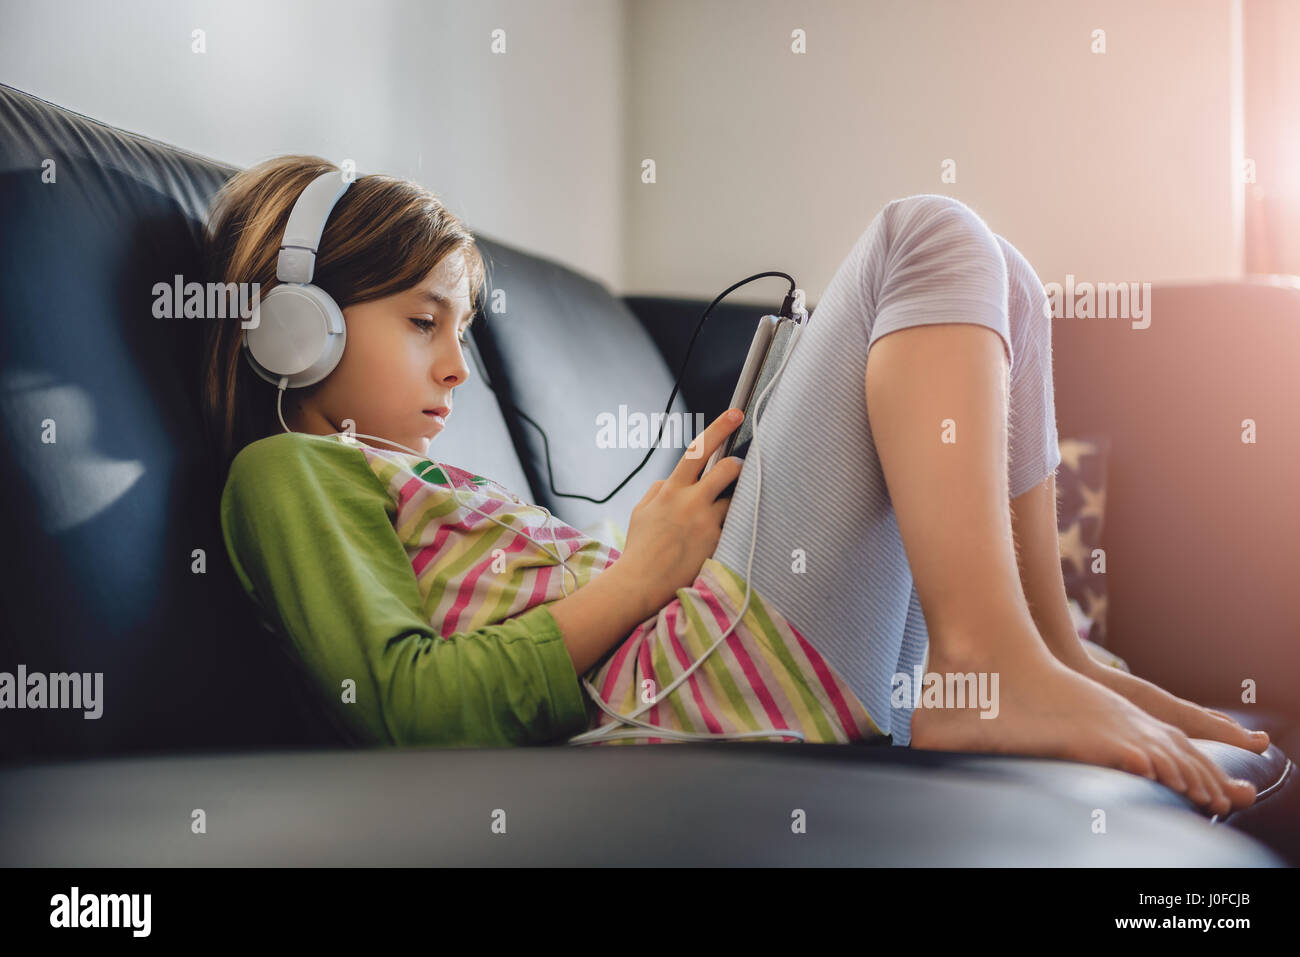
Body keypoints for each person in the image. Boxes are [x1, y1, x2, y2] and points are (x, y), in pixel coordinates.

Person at [205, 155, 1267, 816]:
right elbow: (408, 714)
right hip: (693, 693)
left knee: (1010, 282)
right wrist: (639, 578)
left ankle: (1046, 653)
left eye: (463, 331)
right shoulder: (288, 471)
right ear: (300, 328)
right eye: (423, 322)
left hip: (707, 653)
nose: (456, 367)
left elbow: (538, 611)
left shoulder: (423, 476)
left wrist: (654, 551)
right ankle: (984, 660)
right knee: (922, 237)